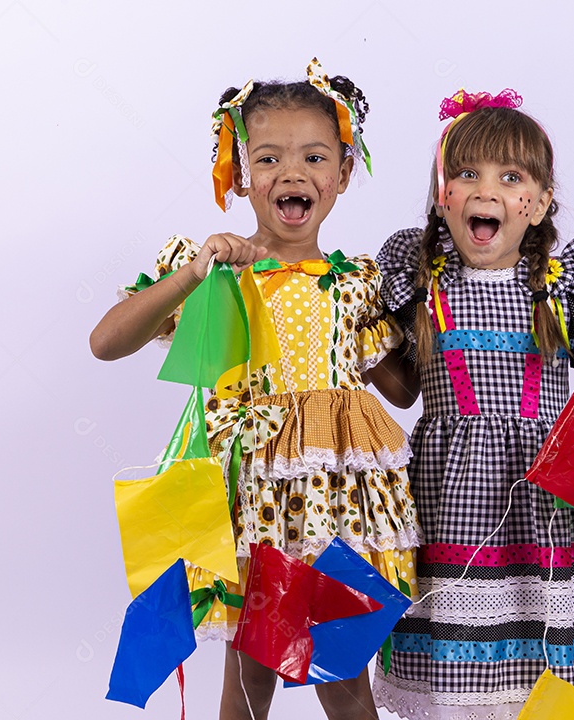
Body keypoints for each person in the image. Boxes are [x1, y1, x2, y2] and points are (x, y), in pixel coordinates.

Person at [90, 59, 420, 720]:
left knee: (340, 666)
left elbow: (405, 391)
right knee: (249, 668)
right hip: (252, 498)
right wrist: (193, 275)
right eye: (268, 157)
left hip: (336, 500)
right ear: (240, 174)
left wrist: (434, 308)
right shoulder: (216, 272)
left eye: (315, 157)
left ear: (344, 174)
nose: (292, 174)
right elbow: (106, 343)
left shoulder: (355, 282)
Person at [367, 89, 574, 720]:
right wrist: (355, 342)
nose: (487, 192)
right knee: (468, 658)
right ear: (443, 197)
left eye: (511, 177)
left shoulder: (562, 289)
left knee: (549, 641)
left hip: (552, 496)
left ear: (538, 204)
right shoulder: (421, 286)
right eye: (466, 174)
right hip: (452, 497)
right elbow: (402, 389)